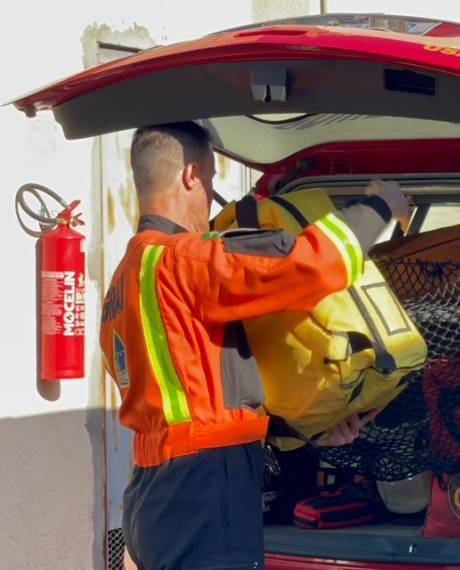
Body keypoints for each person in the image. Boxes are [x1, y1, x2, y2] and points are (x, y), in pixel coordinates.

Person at [99, 121, 409, 570]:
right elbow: (309, 264)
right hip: (203, 490)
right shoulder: (183, 260)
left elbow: (199, 388)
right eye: (209, 181)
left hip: (154, 494)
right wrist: (382, 205)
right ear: (189, 177)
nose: (209, 197)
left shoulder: (124, 281)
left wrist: (310, 425)